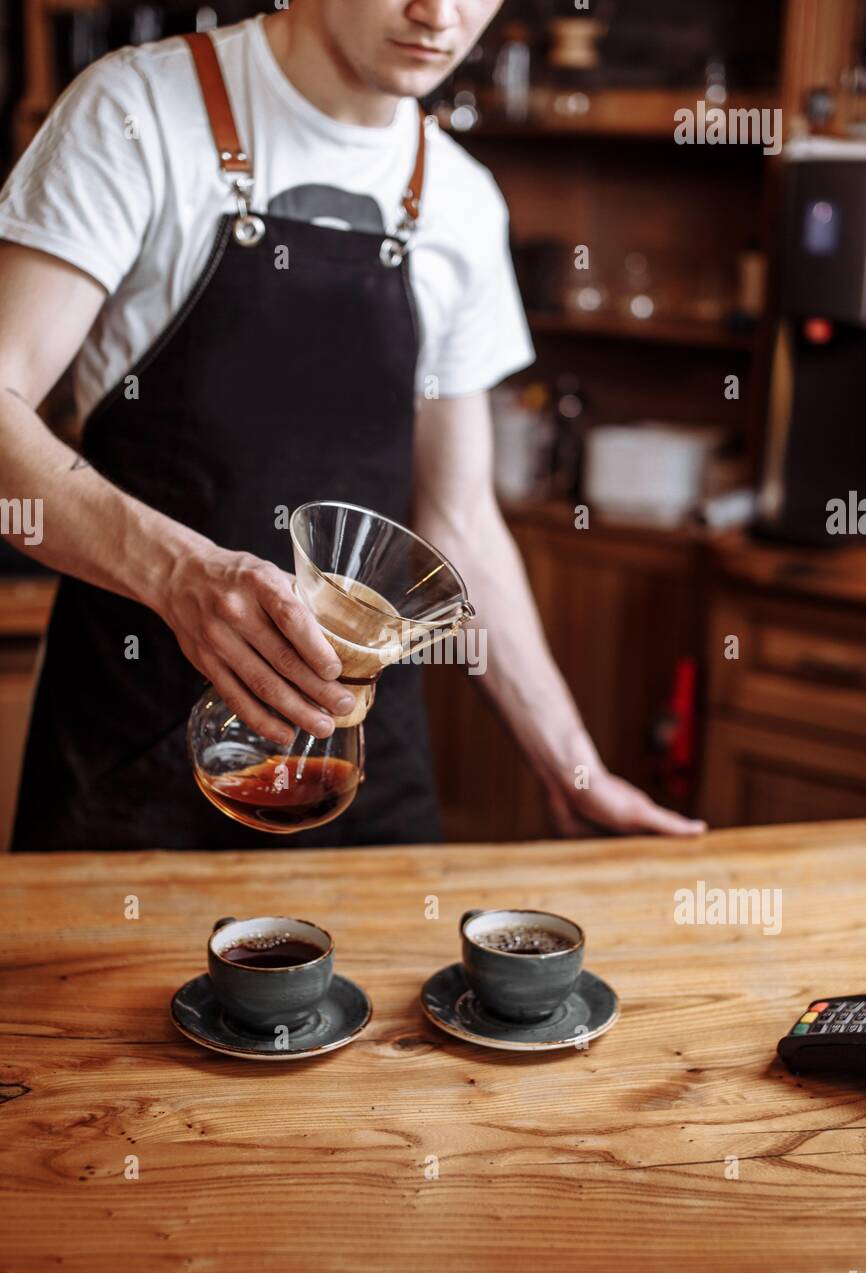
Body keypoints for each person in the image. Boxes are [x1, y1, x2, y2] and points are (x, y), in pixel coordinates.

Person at [0, 0, 706, 850]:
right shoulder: (134, 113)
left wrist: (573, 767)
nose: (439, 14)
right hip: (132, 767)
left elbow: (459, 521)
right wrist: (180, 574)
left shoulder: (463, 202)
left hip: (362, 773)